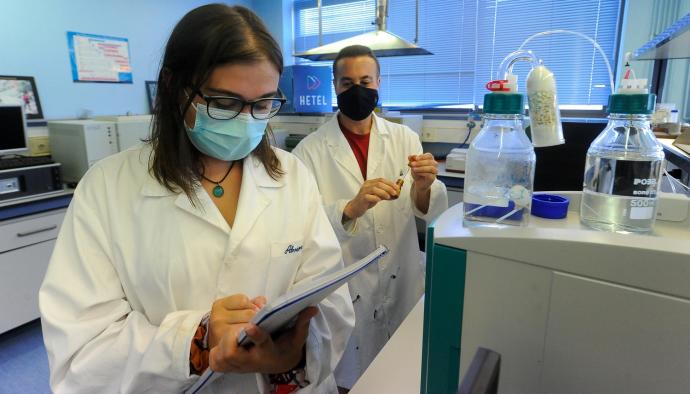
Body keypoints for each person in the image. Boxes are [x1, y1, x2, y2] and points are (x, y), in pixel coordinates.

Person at [39, 5, 354, 393]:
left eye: (262, 105)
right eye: (224, 104)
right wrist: (196, 342)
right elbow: (81, 352)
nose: (247, 120)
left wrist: (290, 357)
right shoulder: (105, 189)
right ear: (173, 87)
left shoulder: (292, 177)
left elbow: (331, 304)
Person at [292, 45, 448, 390]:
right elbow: (302, 228)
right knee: (354, 376)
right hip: (348, 289)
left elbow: (425, 209)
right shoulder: (309, 151)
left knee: (403, 375)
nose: (357, 90)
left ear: (379, 82)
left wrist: (424, 185)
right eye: (347, 83)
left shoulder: (405, 138)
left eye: (365, 80)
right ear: (334, 86)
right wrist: (351, 208)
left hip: (401, 277)